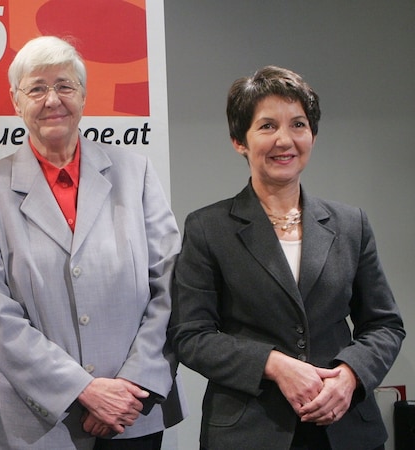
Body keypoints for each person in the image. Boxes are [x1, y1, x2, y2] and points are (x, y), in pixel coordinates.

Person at [0, 35, 186, 449]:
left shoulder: (137, 175)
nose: (52, 100)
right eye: (37, 88)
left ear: (83, 94)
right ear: (15, 101)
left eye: (64, 85)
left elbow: (169, 287)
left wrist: (132, 383)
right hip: (35, 424)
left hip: (131, 414)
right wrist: (85, 391)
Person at [168, 66, 405, 450]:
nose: (285, 140)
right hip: (251, 431)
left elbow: (384, 325)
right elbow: (190, 336)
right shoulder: (208, 227)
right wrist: (275, 365)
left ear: (312, 135)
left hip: (344, 426)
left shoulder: (350, 224)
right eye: (266, 126)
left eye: (298, 124)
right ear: (238, 141)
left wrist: (349, 375)